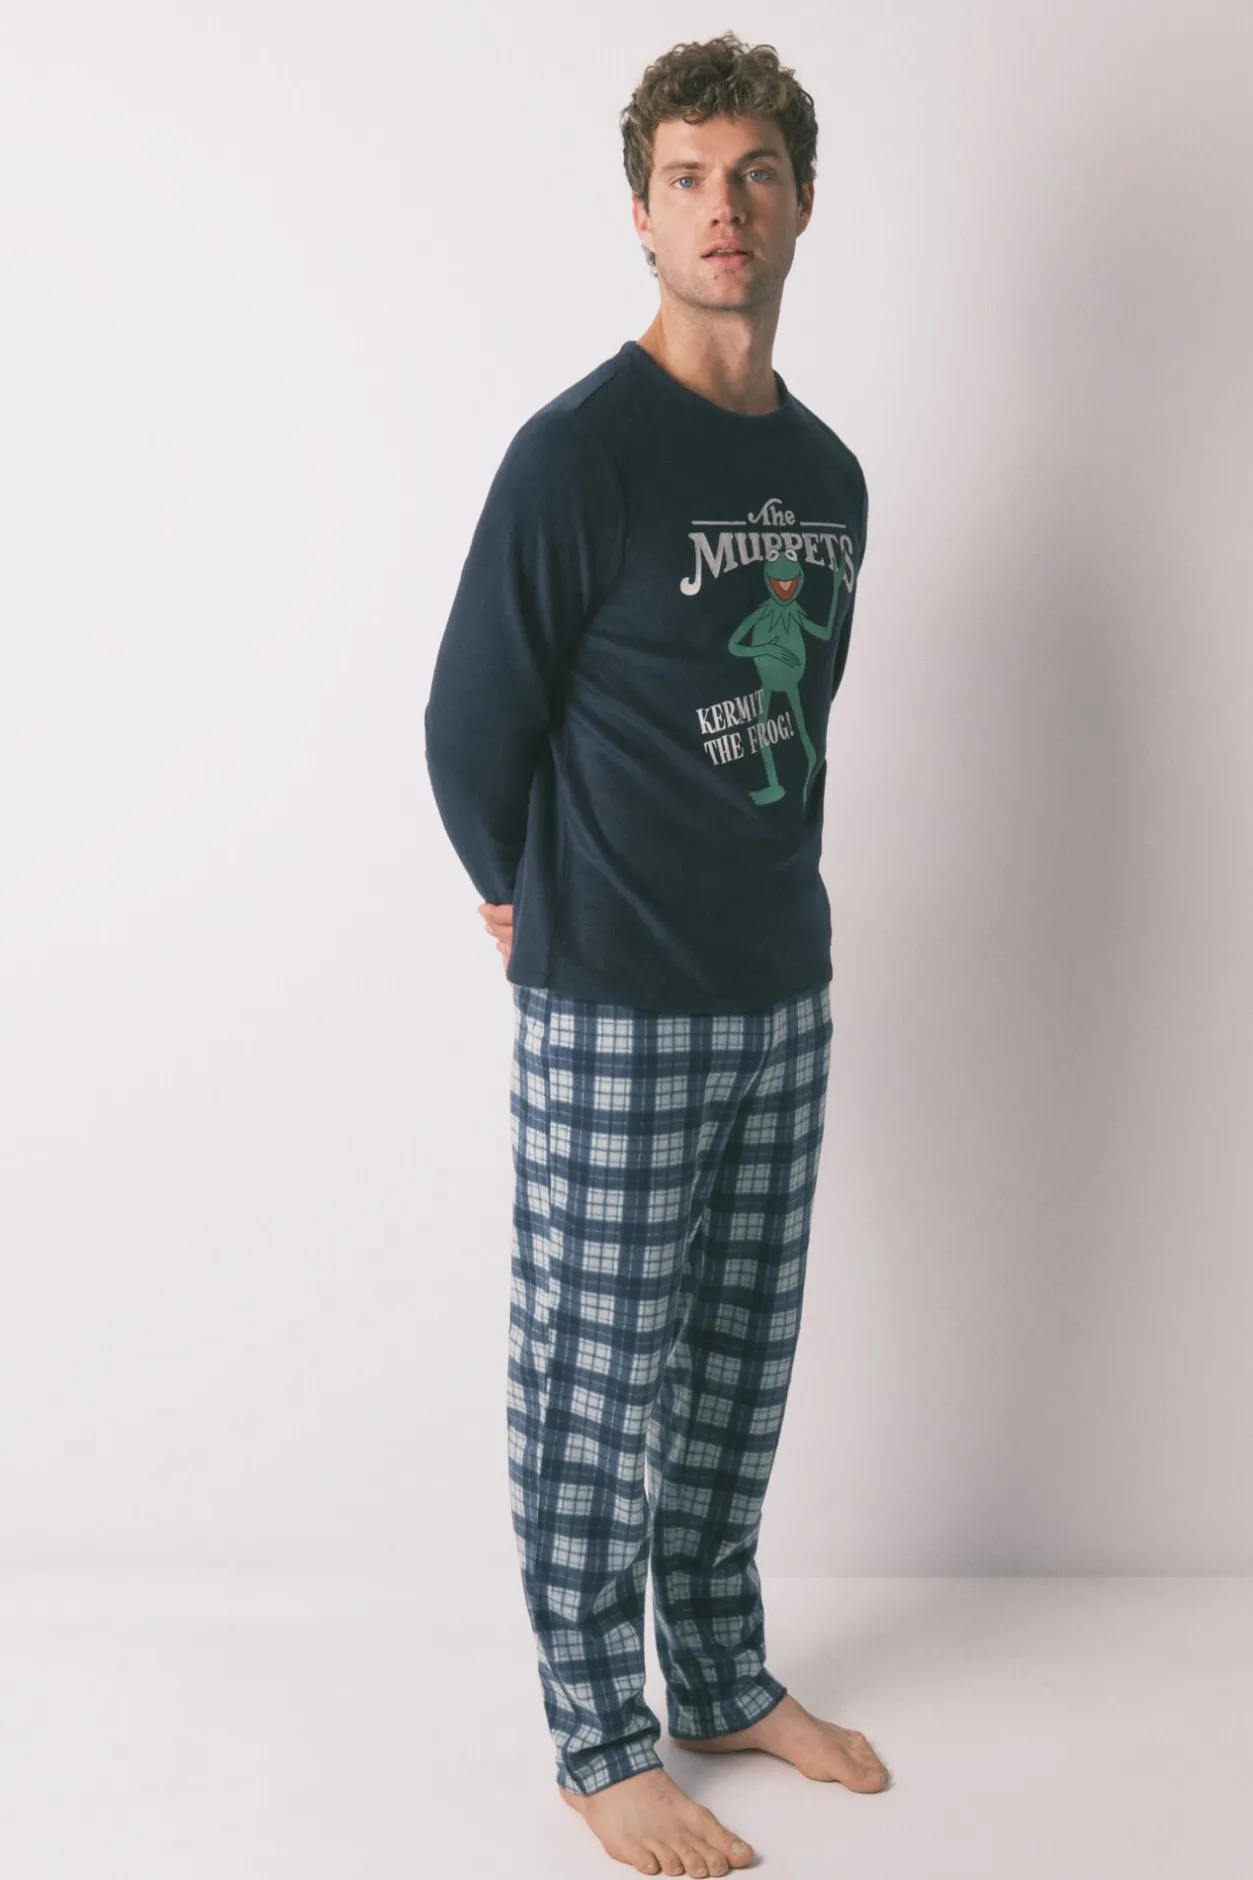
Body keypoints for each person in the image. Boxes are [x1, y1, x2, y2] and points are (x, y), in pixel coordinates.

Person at [424, 31, 890, 1877]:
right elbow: (471, 721)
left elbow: (802, 720)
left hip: (783, 991)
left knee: (733, 1372)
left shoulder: (833, 476)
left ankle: (715, 1675)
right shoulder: (578, 455)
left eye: (754, 171)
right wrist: (520, 892)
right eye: (688, 176)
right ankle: (598, 1741)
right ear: (641, 212)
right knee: (591, 1380)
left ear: (801, 202)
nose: (724, 206)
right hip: (613, 993)